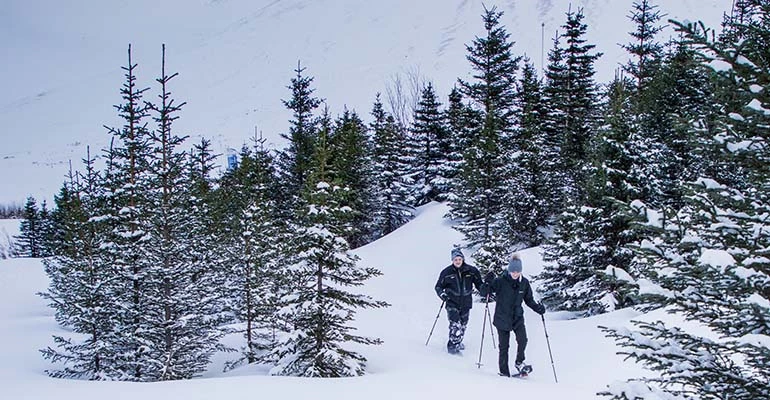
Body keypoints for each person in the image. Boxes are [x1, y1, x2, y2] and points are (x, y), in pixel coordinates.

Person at [482, 253, 545, 377]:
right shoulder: (500, 281)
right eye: (513, 271)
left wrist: (538, 308)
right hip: (502, 318)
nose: (515, 274)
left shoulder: (524, 283)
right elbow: (485, 292)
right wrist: (487, 282)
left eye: (517, 271)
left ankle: (519, 362)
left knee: (523, 340)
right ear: (509, 270)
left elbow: (529, 300)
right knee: (504, 347)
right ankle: (504, 372)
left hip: (517, 317)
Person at [434, 248, 483, 354]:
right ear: (452, 260)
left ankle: (458, 342)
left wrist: (485, 289)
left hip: (466, 302)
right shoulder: (446, 272)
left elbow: (479, 284)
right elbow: (438, 286)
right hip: (452, 301)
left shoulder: (471, 271)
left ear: (463, 259)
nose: (458, 261)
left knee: (463, 324)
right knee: (455, 324)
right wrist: (442, 295)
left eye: (459, 259)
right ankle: (452, 346)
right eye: (455, 259)